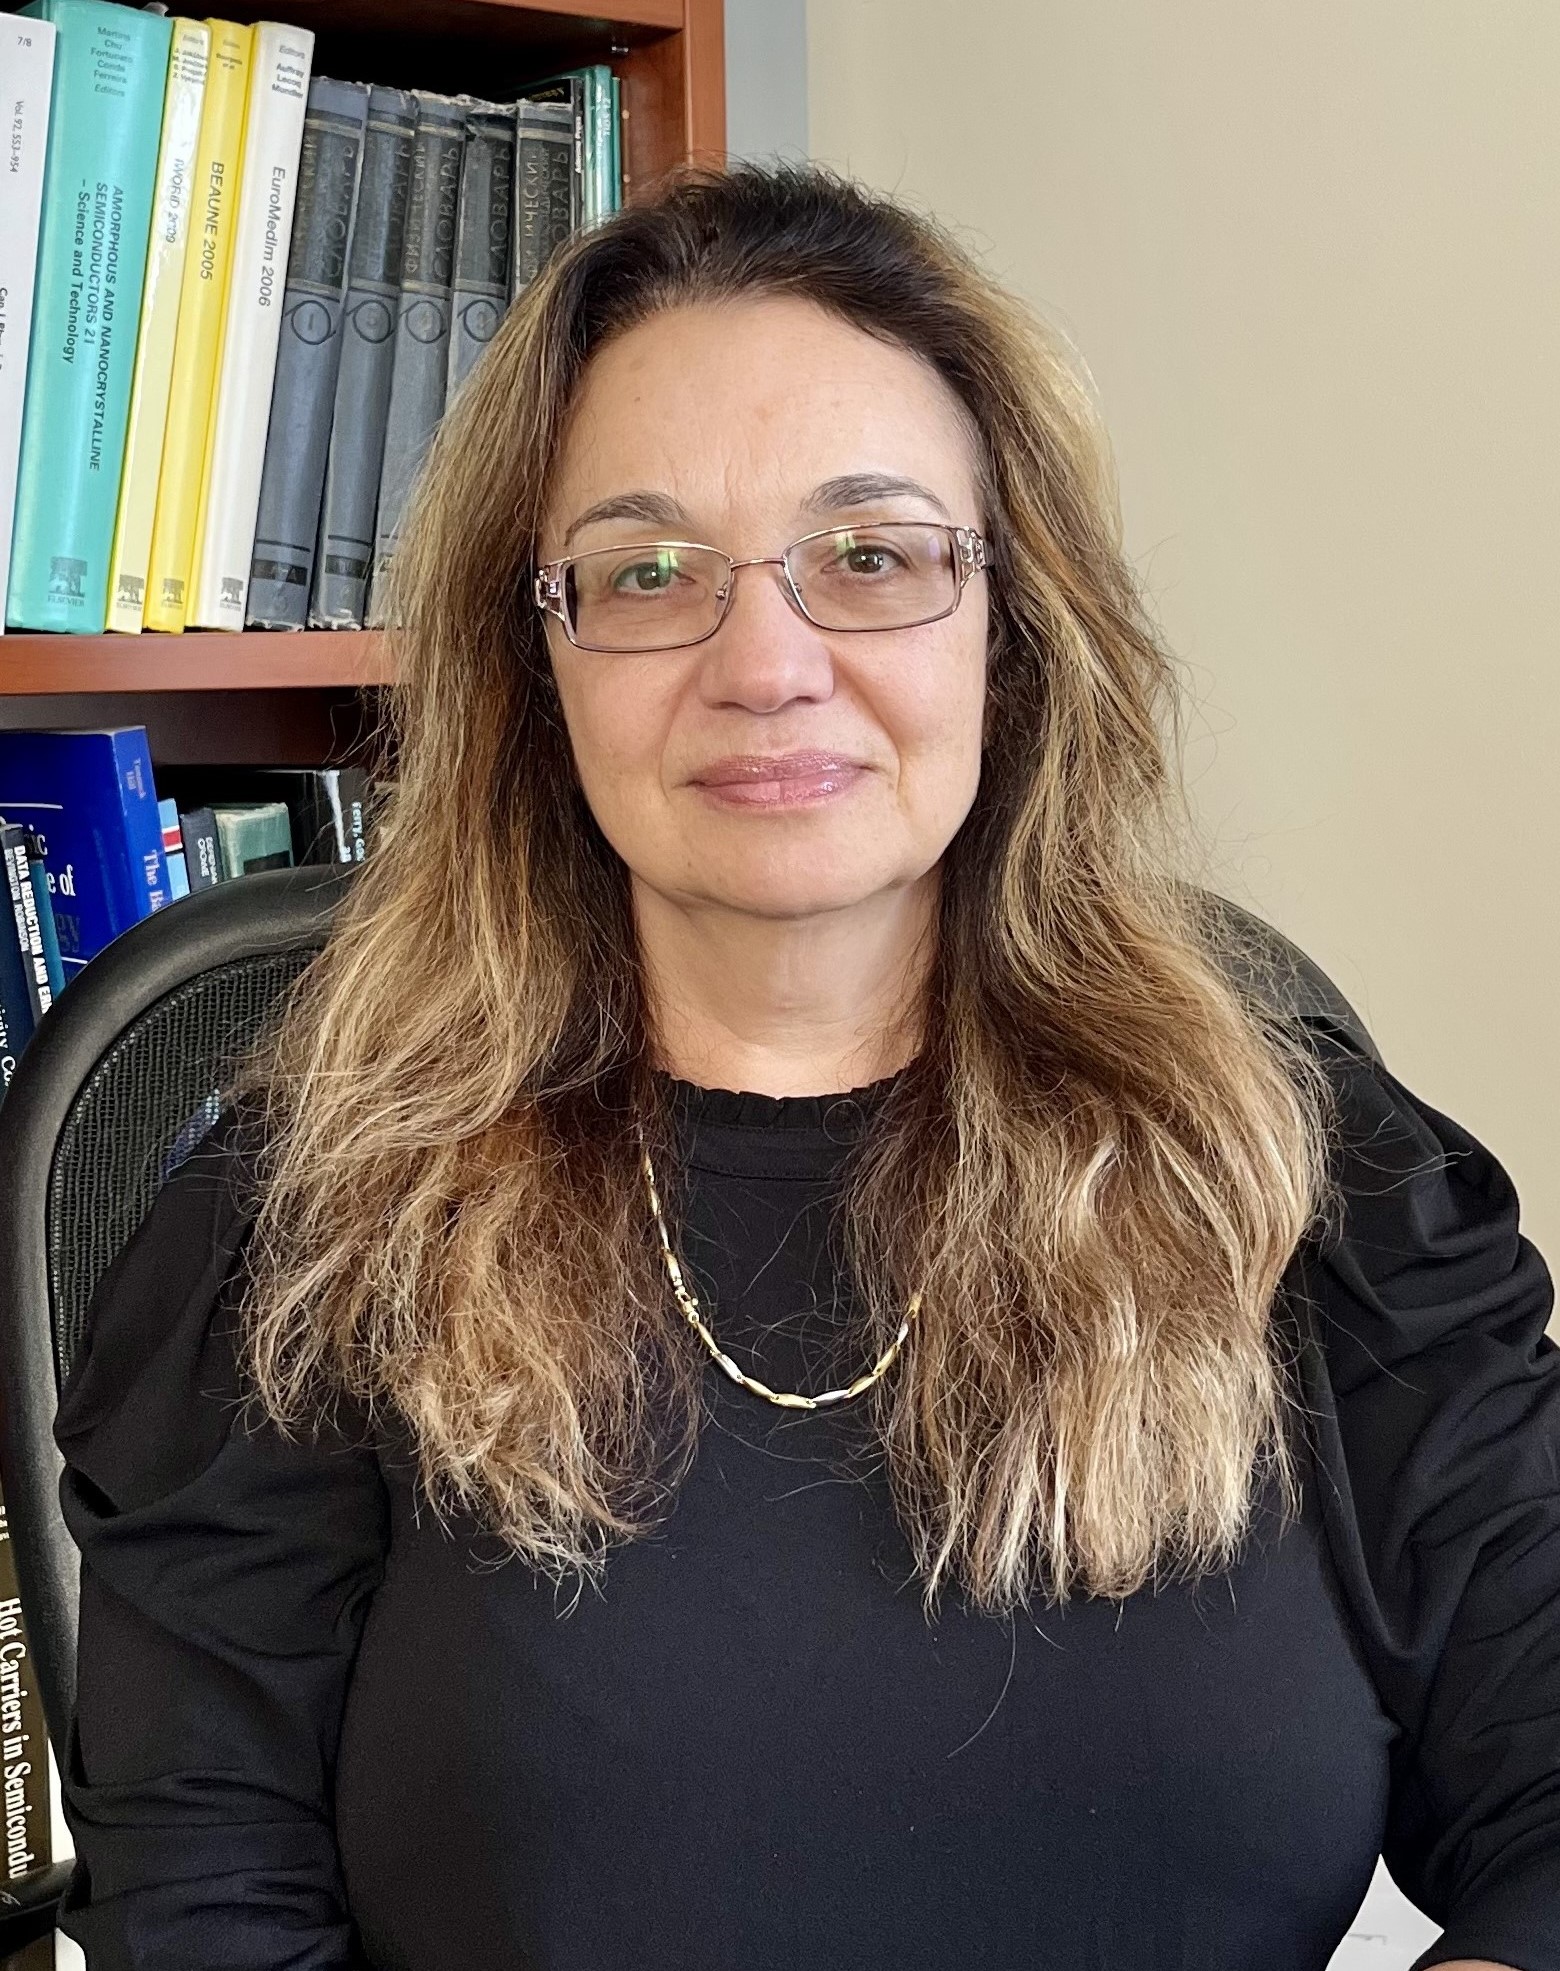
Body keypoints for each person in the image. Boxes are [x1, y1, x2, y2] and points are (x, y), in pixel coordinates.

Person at [52, 163, 1556, 1971]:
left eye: (873, 556)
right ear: (538, 666)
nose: (766, 664)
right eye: (648, 570)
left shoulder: (1305, 1177)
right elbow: (209, 1922)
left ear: (1016, 626)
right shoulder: (300, 1236)